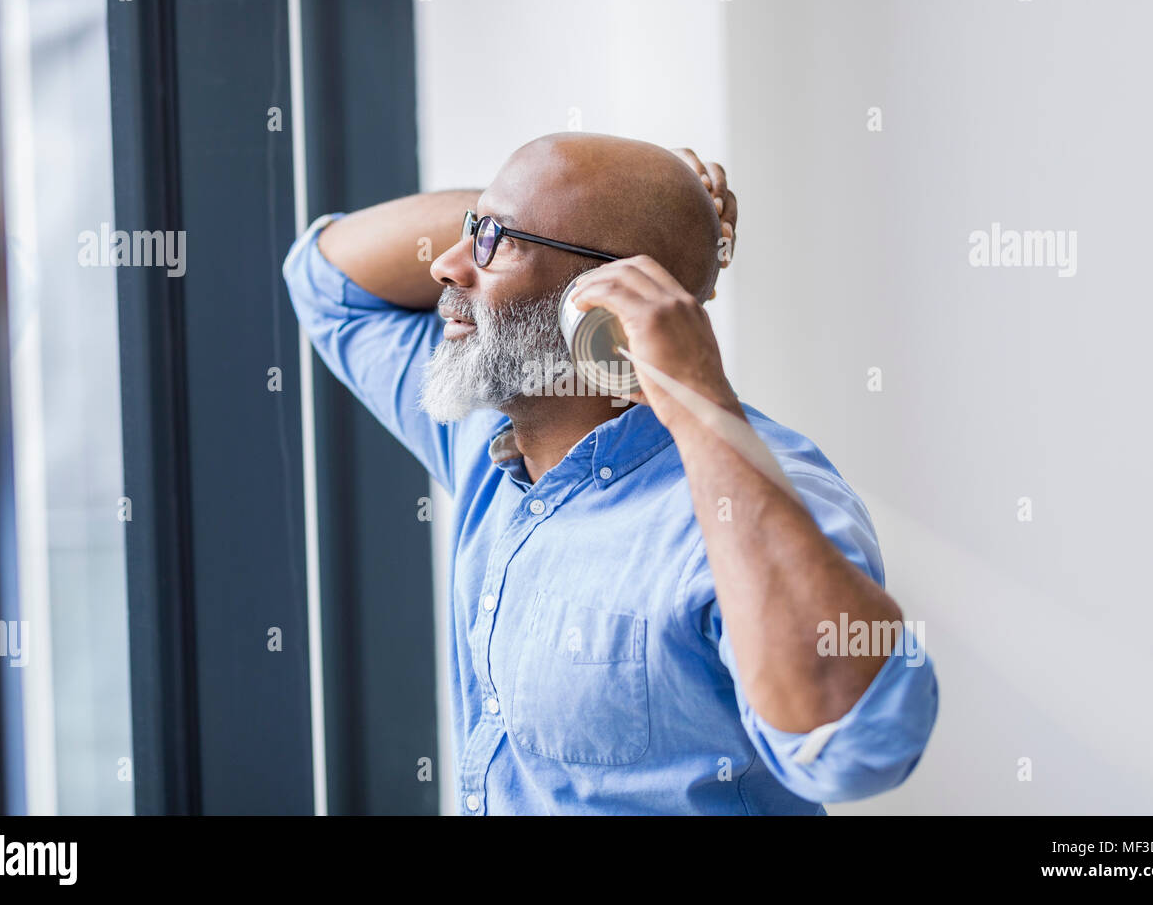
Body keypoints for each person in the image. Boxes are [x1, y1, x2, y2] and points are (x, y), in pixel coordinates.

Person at [282, 132, 938, 814]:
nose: (445, 265)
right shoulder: (488, 438)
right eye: (469, 229)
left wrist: (697, 399)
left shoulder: (762, 496)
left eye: (492, 241)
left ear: (597, 305)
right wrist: (535, 207)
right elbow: (325, 280)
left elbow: (860, 748)